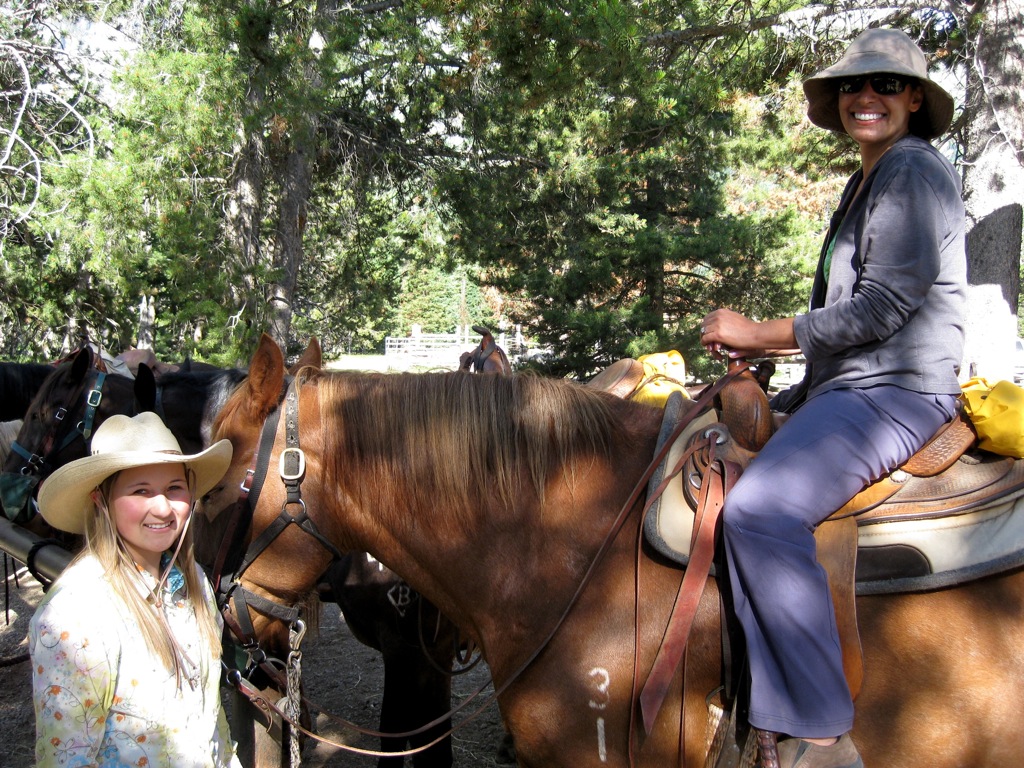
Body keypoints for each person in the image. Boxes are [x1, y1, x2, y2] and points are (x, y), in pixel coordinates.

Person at [699, 28, 965, 768]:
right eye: (851, 86)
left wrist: (759, 331)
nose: (865, 97)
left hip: (897, 391)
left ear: (914, 98)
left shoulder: (910, 172)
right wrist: (779, 375)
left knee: (761, 511)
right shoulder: (869, 181)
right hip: (853, 384)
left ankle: (822, 734)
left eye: (883, 85)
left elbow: (882, 308)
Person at [28, 411, 239, 767]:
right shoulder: (75, 617)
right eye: (141, 491)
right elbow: (67, 757)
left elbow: (210, 715)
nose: (163, 507)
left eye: (175, 488)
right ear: (101, 500)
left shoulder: (193, 584)